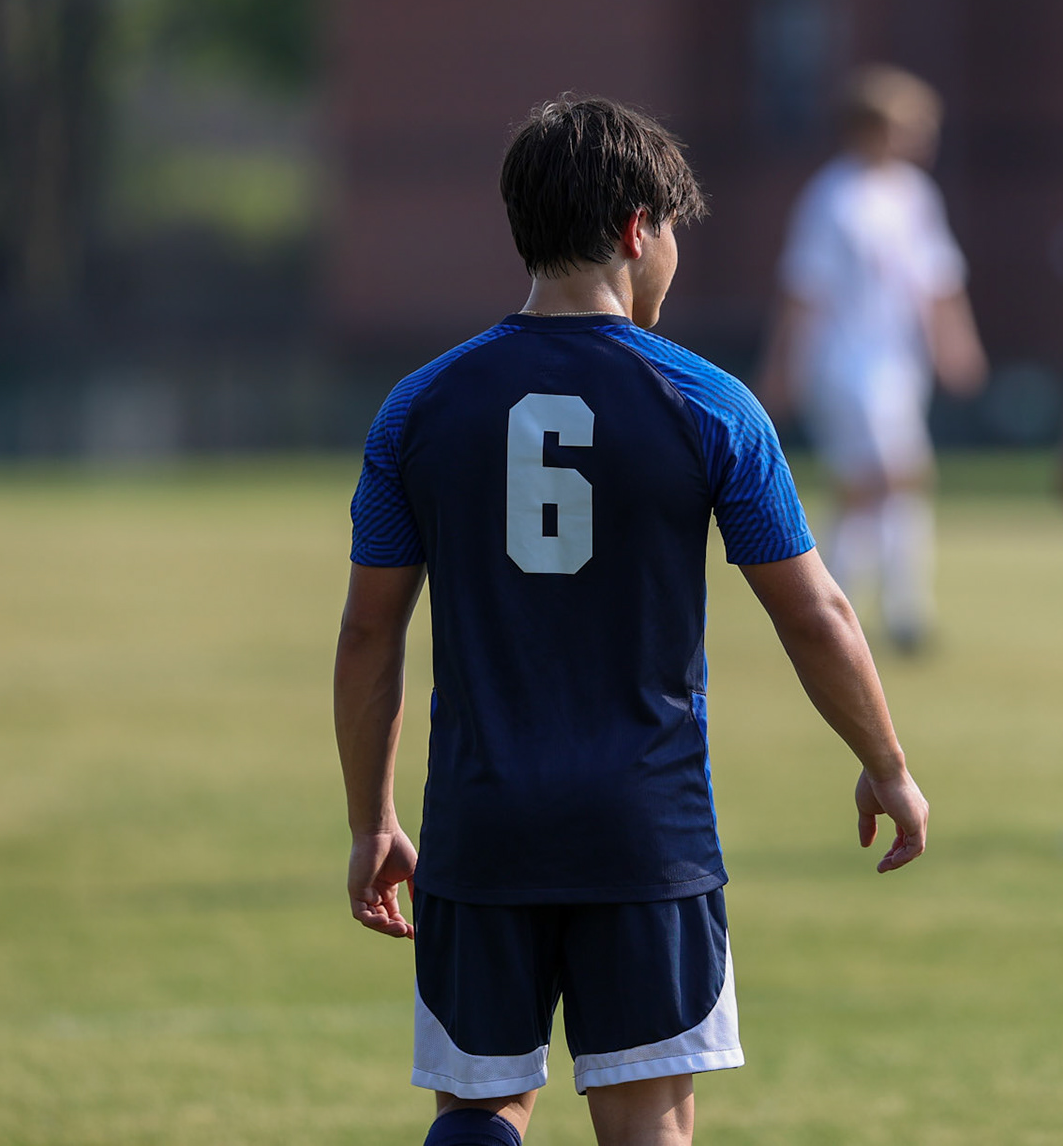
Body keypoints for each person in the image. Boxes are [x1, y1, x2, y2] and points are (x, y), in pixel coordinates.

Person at [333, 96, 929, 1146]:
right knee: (649, 1117)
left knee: (477, 1106)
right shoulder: (710, 404)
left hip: (482, 825)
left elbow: (369, 633)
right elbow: (814, 609)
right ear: (635, 228)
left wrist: (371, 818)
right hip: (644, 833)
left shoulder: (419, 407)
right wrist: (885, 758)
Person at [757, 65, 988, 653]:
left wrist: (954, 342)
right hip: (845, 362)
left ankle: (858, 604)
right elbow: (803, 289)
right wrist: (782, 365)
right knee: (887, 476)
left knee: (882, 486)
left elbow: (938, 280)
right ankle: (865, 608)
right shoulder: (834, 197)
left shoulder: (914, 194)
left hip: (898, 364)